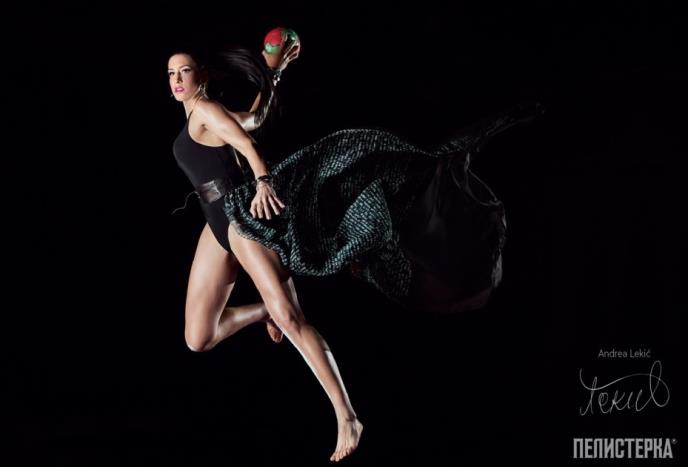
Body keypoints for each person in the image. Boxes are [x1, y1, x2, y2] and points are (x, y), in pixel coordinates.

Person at [168, 34, 544, 463]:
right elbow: (253, 120)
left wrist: (264, 181)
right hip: (214, 227)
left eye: (184, 71)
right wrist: (274, 74)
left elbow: (249, 145)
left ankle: (346, 416)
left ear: (202, 75)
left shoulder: (206, 109)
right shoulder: (201, 116)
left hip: (242, 222)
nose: (177, 79)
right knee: (199, 337)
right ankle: (263, 312)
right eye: (171, 73)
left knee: (291, 318)